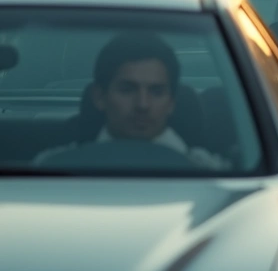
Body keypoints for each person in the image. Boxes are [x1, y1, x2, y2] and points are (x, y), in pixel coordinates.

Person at [36, 32, 228, 169]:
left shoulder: (216, 175)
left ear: (172, 101)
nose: (142, 104)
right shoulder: (51, 168)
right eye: (127, 90)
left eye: (156, 91)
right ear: (99, 97)